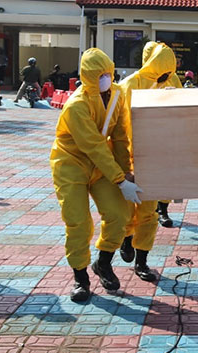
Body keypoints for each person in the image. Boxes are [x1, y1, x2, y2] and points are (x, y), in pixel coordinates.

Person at [50, 47, 140, 302]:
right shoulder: (76, 105)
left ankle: (103, 262)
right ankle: (80, 277)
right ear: (88, 76)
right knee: (78, 221)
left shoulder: (117, 95)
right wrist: (119, 180)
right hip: (71, 162)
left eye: (109, 73)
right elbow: (93, 145)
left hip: (102, 165)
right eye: (100, 74)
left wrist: (126, 172)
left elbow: (121, 137)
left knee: (119, 214)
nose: (106, 78)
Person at [119, 43, 178, 283]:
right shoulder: (129, 85)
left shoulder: (171, 84)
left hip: (156, 157)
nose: (165, 75)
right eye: (161, 70)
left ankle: (141, 261)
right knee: (124, 210)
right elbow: (117, 124)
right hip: (129, 158)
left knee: (149, 214)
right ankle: (125, 239)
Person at [142, 42, 180, 226]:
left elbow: (182, 102)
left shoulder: (172, 79)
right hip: (143, 138)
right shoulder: (138, 82)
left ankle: (163, 210)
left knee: (167, 175)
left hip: (167, 135)